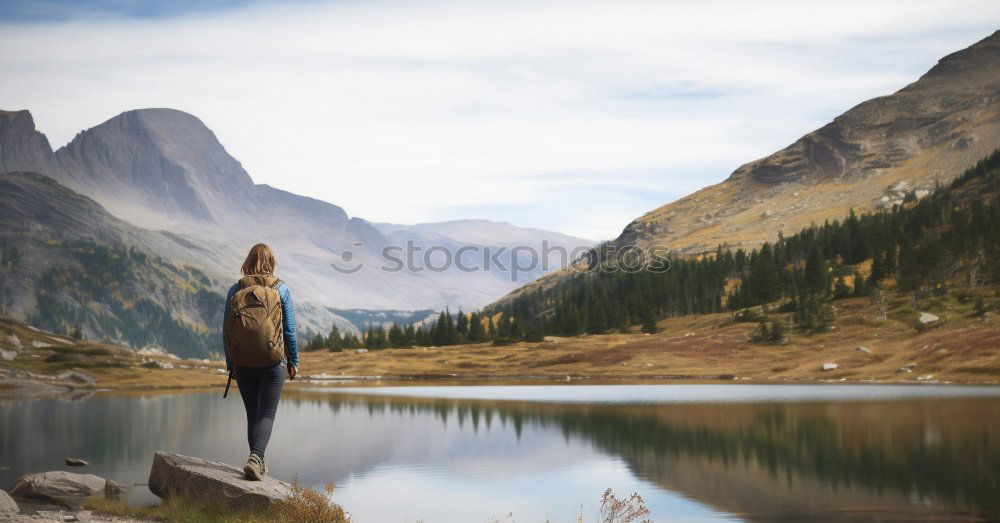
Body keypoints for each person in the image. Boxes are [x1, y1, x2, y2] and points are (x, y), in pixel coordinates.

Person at [223, 243, 299, 480]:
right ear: (271, 262)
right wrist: (293, 360)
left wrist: (231, 363)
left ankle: (257, 462)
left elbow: (226, 331)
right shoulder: (281, 289)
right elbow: (289, 330)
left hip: (243, 364)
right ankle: (256, 459)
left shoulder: (236, 289)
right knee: (266, 414)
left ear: (248, 261)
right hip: (273, 362)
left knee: (253, 415)